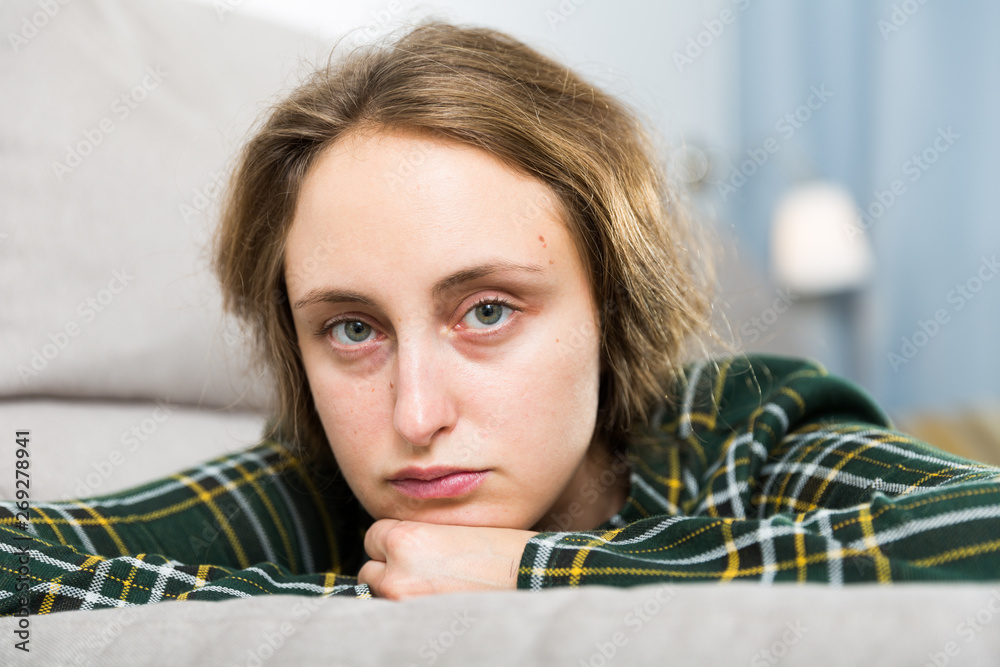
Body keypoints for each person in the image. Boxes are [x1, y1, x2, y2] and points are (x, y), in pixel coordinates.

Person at [3, 21, 1000, 614]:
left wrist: (539, 571)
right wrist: (367, 606)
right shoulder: (314, 481)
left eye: (485, 309)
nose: (414, 412)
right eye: (351, 329)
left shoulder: (743, 431)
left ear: (611, 309)